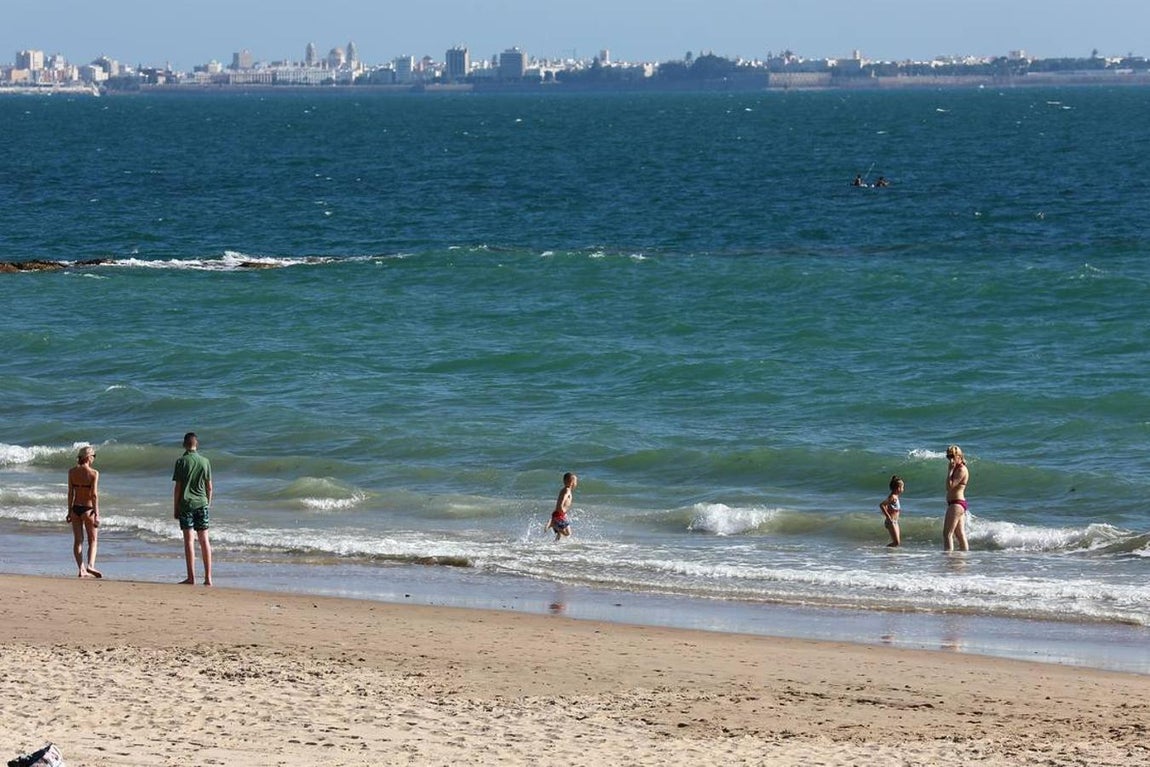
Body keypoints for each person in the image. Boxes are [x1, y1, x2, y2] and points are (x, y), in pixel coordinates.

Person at [173, 432, 213, 585]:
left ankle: (191, 577)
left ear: (184, 444)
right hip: (202, 503)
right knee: (204, 540)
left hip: (186, 504)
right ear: (197, 444)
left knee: (189, 541)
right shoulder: (205, 461)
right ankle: (208, 577)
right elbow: (209, 487)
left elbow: (178, 488)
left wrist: (175, 507)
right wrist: (207, 503)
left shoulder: (181, 461)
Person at [66, 445, 102, 578]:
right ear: (88, 457)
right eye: (93, 456)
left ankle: (81, 569)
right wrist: (97, 514)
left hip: (76, 509)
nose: (93, 459)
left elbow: (70, 493)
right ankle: (90, 565)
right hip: (88, 509)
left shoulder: (71, 472)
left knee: (78, 540)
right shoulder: (94, 473)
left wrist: (69, 511)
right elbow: (94, 495)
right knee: (93, 540)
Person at [943, 445, 969, 552]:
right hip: (957, 504)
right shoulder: (957, 469)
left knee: (947, 534)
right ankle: (964, 558)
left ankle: (948, 558)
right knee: (959, 534)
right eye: (948, 457)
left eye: (953, 456)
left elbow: (949, 487)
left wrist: (950, 471)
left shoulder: (961, 470)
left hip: (956, 504)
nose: (951, 459)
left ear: (959, 456)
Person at [545, 472, 577, 541]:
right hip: (559, 514)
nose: (576, 483)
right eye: (575, 481)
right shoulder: (567, 490)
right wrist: (561, 506)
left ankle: (554, 545)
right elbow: (564, 497)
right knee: (568, 533)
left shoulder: (565, 489)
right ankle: (552, 523)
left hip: (559, 514)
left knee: (559, 534)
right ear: (571, 482)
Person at [879, 475, 903, 547]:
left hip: (895, 522)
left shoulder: (896, 497)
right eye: (902, 487)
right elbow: (882, 505)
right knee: (896, 542)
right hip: (891, 522)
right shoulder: (893, 497)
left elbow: (888, 506)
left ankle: (891, 555)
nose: (903, 489)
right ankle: (886, 551)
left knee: (897, 542)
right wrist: (888, 517)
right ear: (898, 488)